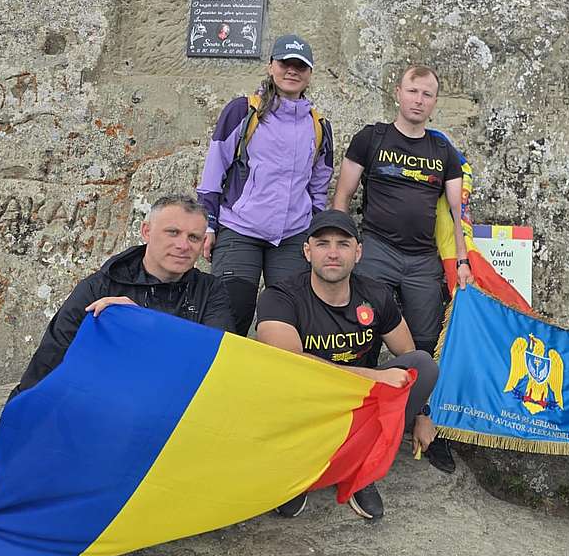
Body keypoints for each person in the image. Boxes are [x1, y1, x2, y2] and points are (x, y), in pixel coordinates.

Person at [0, 195, 234, 514]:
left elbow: (218, 364)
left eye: (194, 237)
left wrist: (143, 322)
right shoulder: (98, 289)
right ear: (146, 231)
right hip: (102, 423)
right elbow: (43, 374)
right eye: (173, 232)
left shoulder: (211, 291)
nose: (183, 245)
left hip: (176, 424)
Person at [255, 209, 445, 521]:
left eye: (343, 244)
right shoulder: (280, 296)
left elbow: (409, 354)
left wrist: (422, 414)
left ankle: (360, 466)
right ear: (307, 251)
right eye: (323, 244)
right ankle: (299, 467)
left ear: (358, 253)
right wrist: (373, 376)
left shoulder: (375, 293)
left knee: (424, 366)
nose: (333, 253)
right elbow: (288, 363)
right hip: (302, 406)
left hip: (356, 407)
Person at [331, 64, 471, 473]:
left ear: (434, 102)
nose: (418, 100)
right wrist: (341, 247)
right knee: (363, 329)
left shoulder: (443, 151)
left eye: (427, 94)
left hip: (422, 258)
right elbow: (343, 195)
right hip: (376, 248)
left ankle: (421, 418)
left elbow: (457, 212)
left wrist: (463, 261)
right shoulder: (371, 138)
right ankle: (356, 419)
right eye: (413, 91)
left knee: (424, 341)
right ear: (398, 92)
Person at [197, 33, 334, 335]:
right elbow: (214, 168)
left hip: (292, 235)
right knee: (231, 314)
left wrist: (314, 231)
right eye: (285, 63)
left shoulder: (319, 125)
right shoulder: (243, 111)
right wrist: (208, 224)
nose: (292, 71)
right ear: (271, 66)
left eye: (300, 66)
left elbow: (319, 185)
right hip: (239, 228)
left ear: (310, 73)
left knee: (289, 320)